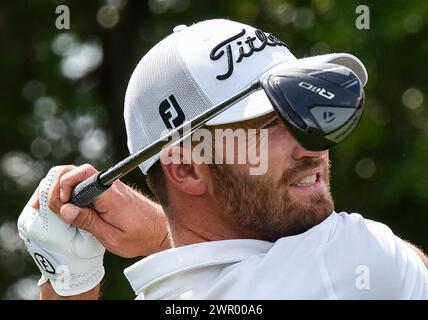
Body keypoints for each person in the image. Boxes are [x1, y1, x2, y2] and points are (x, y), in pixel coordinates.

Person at [18, 19, 428, 300]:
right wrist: (160, 235)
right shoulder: (346, 255)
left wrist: (71, 280)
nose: (313, 147)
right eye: (270, 126)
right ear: (185, 168)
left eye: (302, 112)